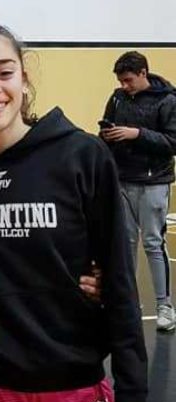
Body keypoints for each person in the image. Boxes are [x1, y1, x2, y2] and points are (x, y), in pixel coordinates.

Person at [0, 23, 148, 402]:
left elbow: (119, 280)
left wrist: (133, 392)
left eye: (5, 72)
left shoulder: (82, 157)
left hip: (71, 382)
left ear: (24, 78)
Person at [100, 51, 176, 332]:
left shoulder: (168, 100)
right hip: (122, 179)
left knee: (154, 243)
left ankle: (165, 306)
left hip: (153, 181)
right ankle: (129, 304)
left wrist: (137, 134)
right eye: (121, 81)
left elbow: (173, 142)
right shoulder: (118, 98)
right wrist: (107, 135)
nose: (124, 86)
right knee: (126, 243)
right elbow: (106, 128)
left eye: (128, 80)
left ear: (143, 73)